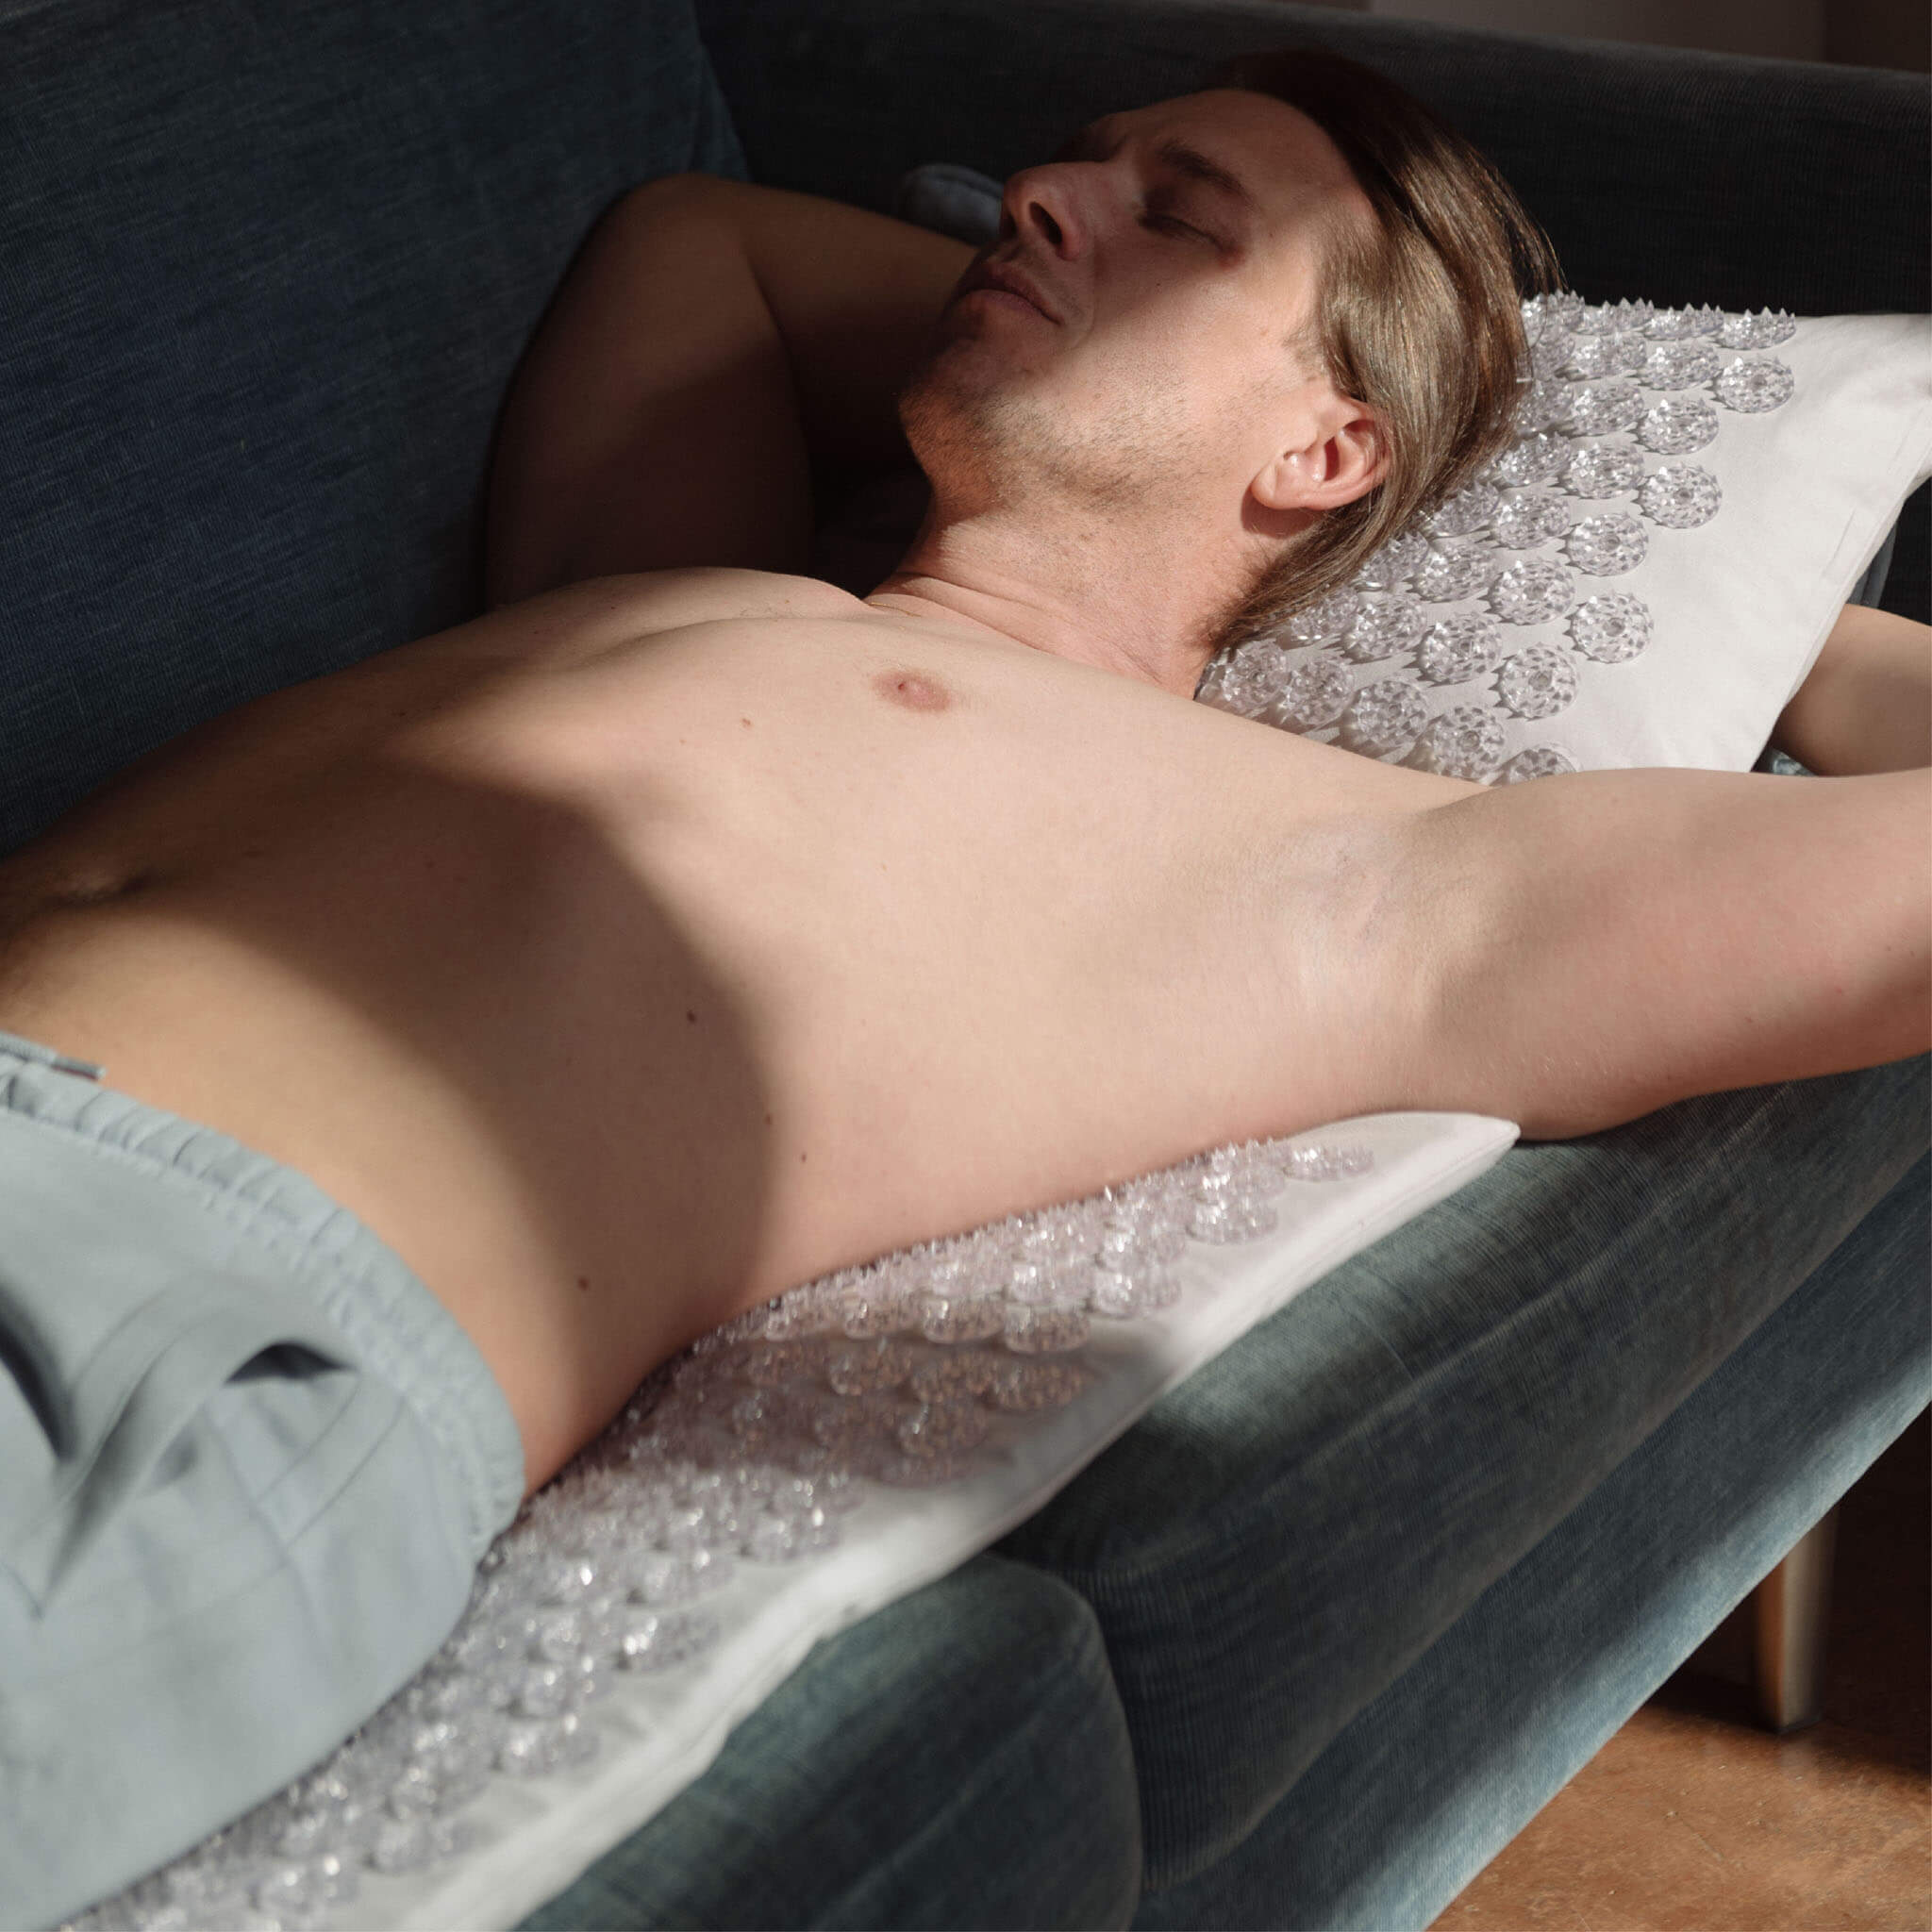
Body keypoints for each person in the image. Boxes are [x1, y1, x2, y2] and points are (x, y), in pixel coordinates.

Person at [3, 51, 1924, 1924]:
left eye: (1181, 216)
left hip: (174, 1308)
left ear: (1326, 450)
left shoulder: (1309, 868)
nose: (1041, 196)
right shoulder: (701, 582)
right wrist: (1100, 301)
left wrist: (1788, 622)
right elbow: (700, 246)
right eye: (1073, 166)